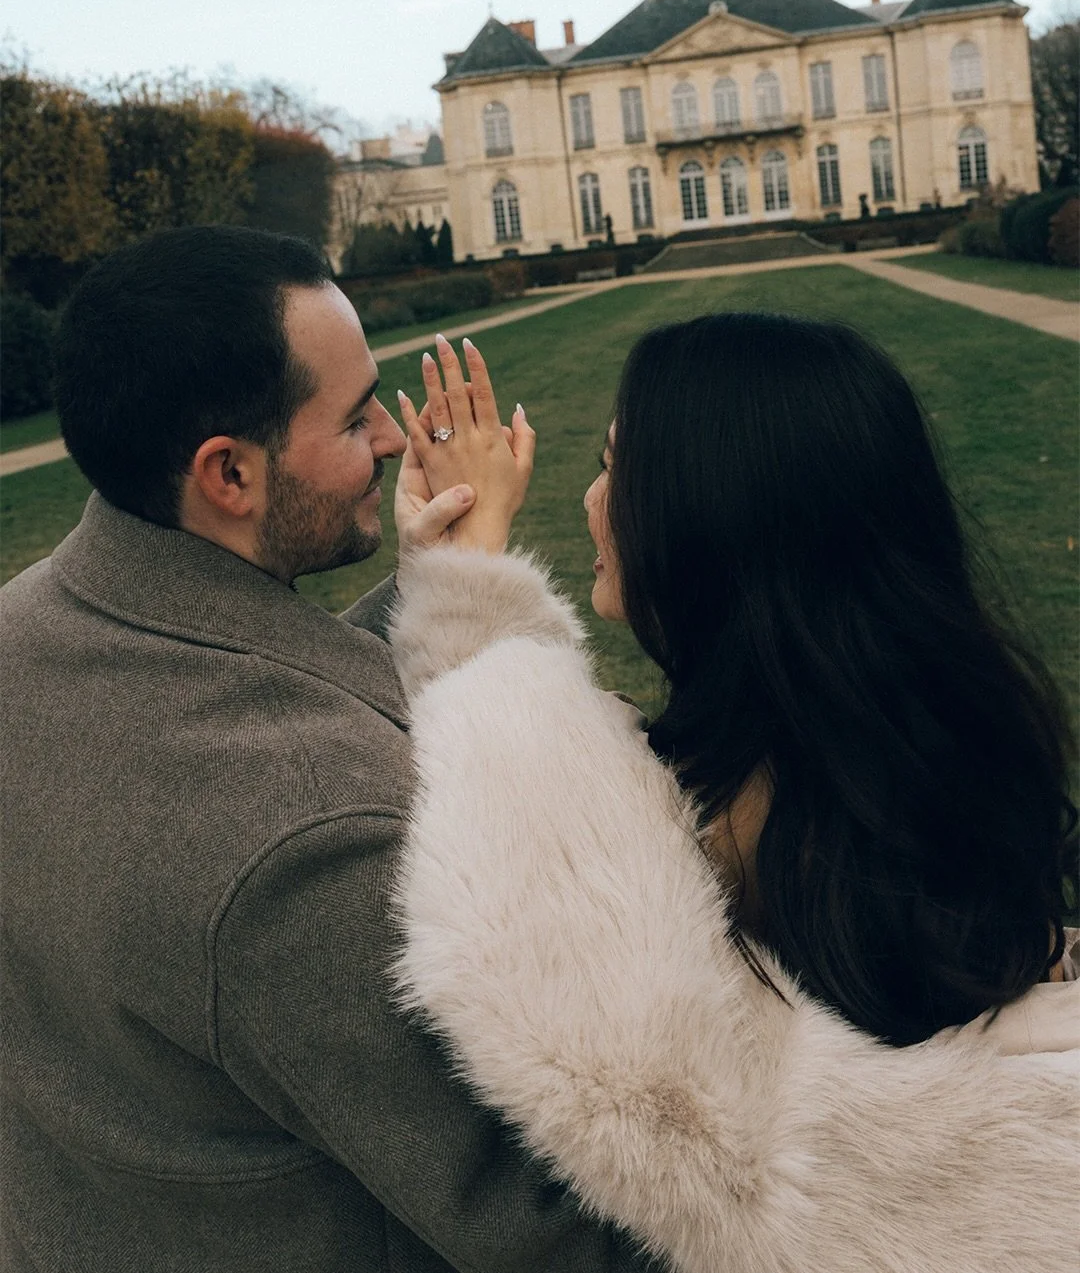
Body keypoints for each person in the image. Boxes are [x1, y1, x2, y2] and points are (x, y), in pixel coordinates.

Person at [0, 225, 661, 1273]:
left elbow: (245, 668)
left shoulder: (25, 629)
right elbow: (561, 1222)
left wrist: (440, 576)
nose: (395, 444)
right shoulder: (305, 846)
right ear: (230, 475)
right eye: (356, 421)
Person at [387, 318, 1079, 1273]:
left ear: (704, 517)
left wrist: (465, 588)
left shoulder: (717, 828)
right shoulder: (948, 734)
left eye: (613, 468)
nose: (591, 500)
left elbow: (539, 870)